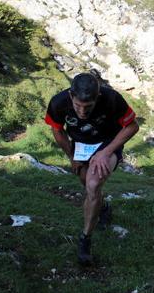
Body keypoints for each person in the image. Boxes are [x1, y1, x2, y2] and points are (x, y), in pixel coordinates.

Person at [45, 72, 139, 265]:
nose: (82, 112)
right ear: (71, 96)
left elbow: (132, 126)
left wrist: (106, 152)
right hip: (80, 146)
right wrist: (71, 156)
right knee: (86, 184)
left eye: (88, 107)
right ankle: (103, 208)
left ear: (98, 97)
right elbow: (57, 129)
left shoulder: (112, 99)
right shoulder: (58, 102)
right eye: (78, 106)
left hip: (107, 144)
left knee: (93, 184)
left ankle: (85, 239)